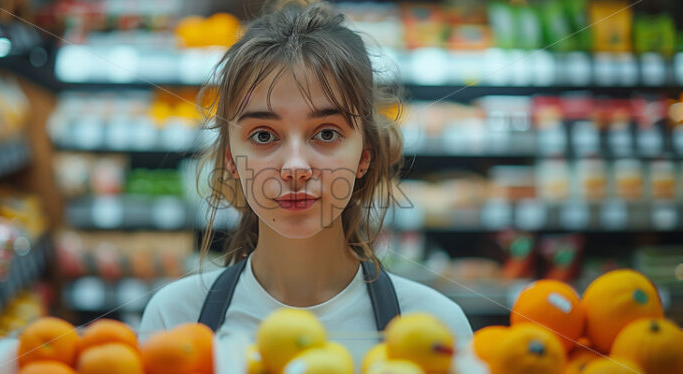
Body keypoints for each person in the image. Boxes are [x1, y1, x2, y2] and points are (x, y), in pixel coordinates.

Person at [139, 0, 473, 368]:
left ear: (365, 155)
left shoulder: (439, 327)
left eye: (326, 133)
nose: (295, 167)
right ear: (231, 159)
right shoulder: (175, 320)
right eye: (264, 135)